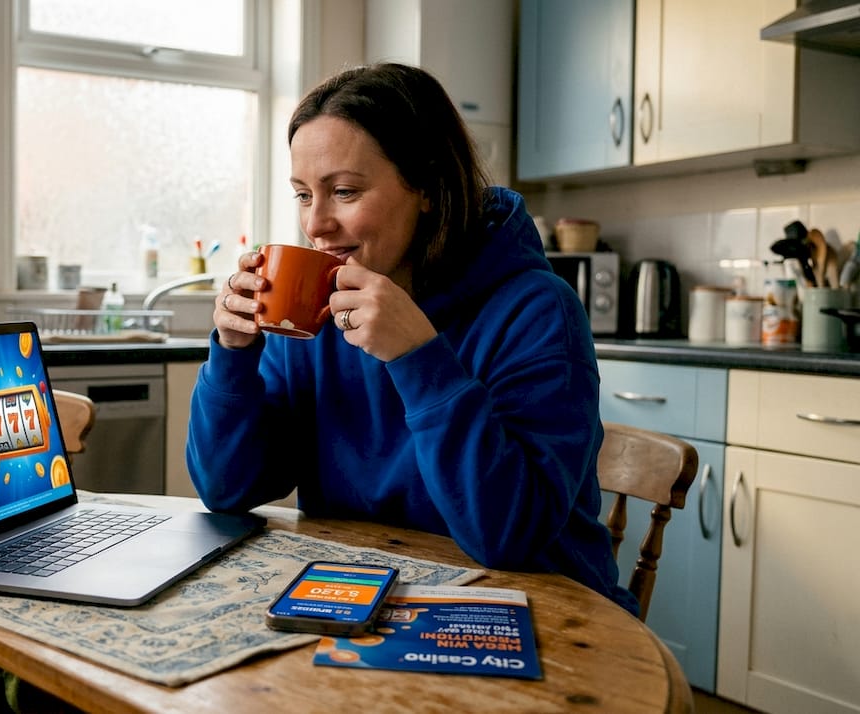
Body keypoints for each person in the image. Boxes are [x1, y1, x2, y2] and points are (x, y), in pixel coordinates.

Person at [186, 63, 636, 615]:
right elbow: (227, 490)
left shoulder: (537, 310)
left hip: (541, 610)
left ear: (427, 186)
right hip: (368, 597)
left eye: (344, 191)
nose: (315, 225)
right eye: (304, 195)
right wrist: (233, 358)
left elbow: (509, 537)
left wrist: (419, 359)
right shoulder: (312, 310)